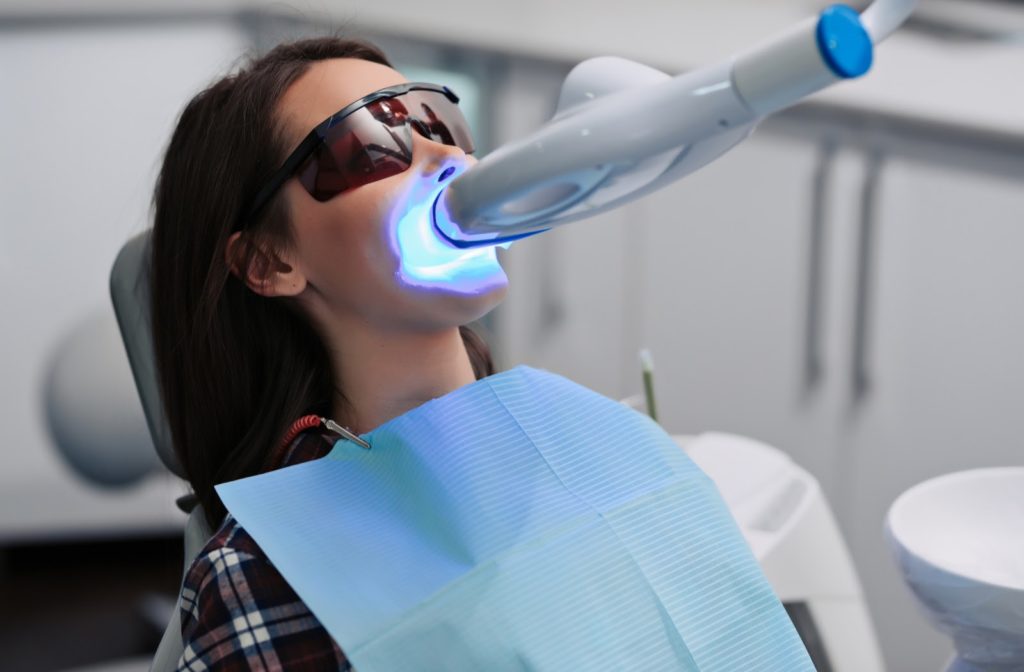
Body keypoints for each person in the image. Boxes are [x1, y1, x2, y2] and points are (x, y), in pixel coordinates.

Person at [150, 36, 508, 670]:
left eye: (438, 120)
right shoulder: (267, 574)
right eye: (368, 148)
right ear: (269, 260)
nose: (447, 155)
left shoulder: (577, 437)